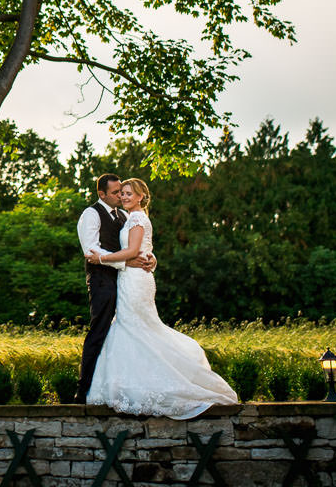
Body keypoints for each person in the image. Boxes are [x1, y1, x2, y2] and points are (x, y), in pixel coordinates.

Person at [84, 177, 238, 418]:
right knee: (133, 329)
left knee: (139, 328)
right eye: (121, 193)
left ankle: (153, 382)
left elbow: (134, 251)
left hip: (134, 281)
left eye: (128, 194)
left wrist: (103, 258)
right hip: (129, 279)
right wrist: (151, 258)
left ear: (140, 197)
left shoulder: (135, 218)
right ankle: (133, 384)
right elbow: (143, 249)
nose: (123, 197)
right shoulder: (125, 217)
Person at [75, 173, 155, 404]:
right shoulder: (90, 215)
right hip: (101, 280)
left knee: (125, 332)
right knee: (99, 330)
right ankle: (83, 390)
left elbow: (138, 246)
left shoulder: (125, 215)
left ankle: (122, 385)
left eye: (123, 191)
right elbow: (91, 252)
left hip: (125, 280)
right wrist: (127, 262)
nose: (121, 196)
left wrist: (151, 259)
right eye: (116, 193)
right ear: (101, 194)